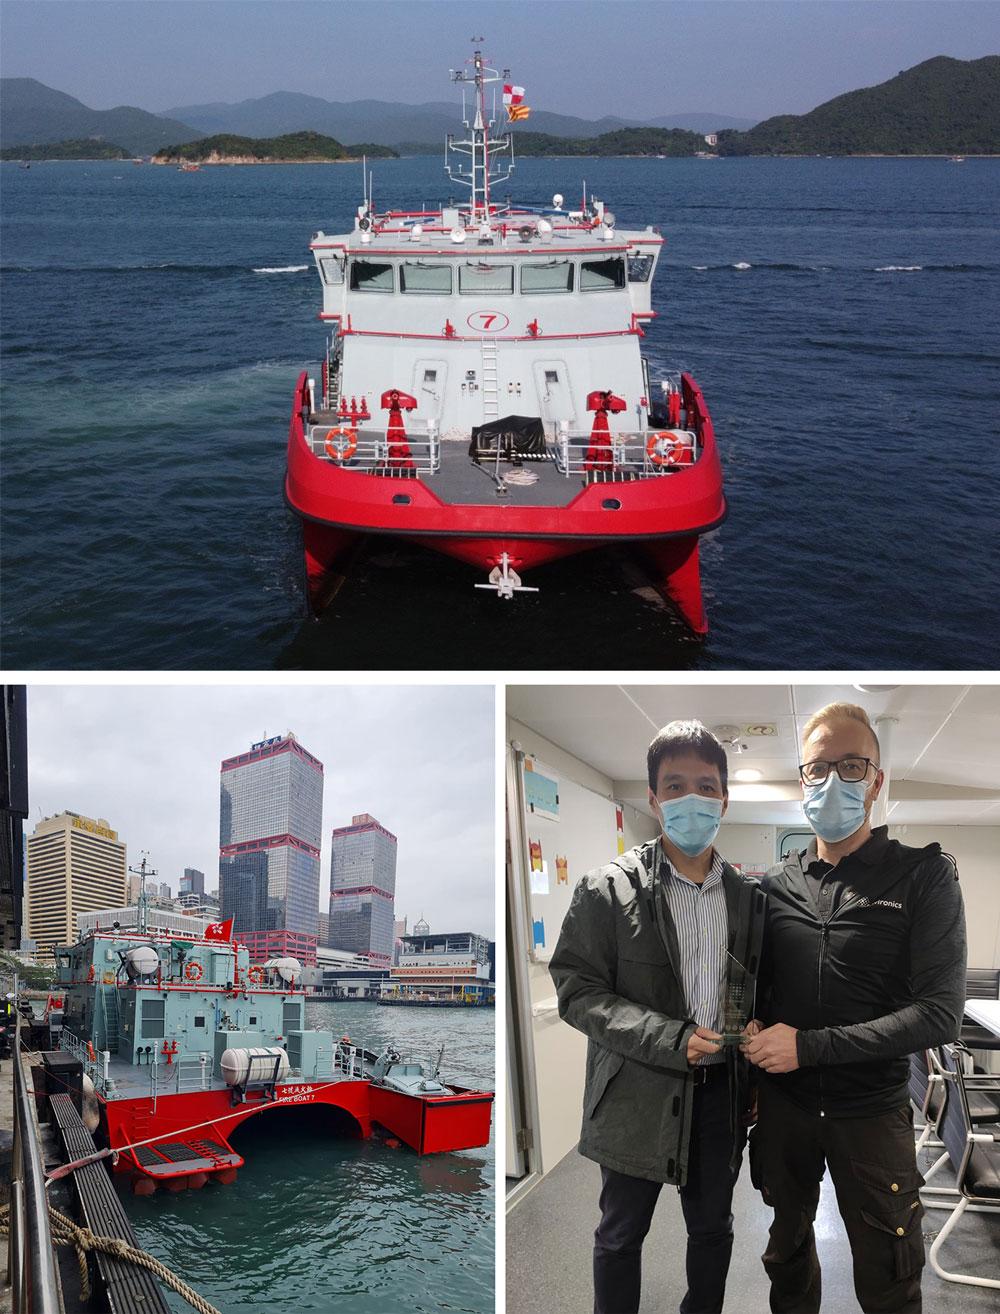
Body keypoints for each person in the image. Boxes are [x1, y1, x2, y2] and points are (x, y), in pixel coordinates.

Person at [744, 702, 966, 1314]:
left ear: (876, 780)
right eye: (819, 768)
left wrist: (809, 1046)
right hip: (786, 1112)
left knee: (889, 1279)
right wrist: (754, 1028)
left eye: (852, 765)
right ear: (801, 782)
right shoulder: (774, 886)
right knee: (786, 1260)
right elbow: (760, 991)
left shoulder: (922, 877)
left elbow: (939, 1013)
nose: (834, 781)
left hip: (871, 1114)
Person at [549, 720, 766, 1314]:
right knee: (619, 1237)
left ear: (724, 797)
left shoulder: (751, 898)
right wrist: (670, 1038)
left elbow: (750, 983)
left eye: (705, 785)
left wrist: (749, 1025)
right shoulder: (606, 890)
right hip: (634, 1093)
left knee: (713, 1232)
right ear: (652, 798)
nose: (691, 799)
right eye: (674, 786)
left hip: (722, 1094)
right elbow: (575, 989)